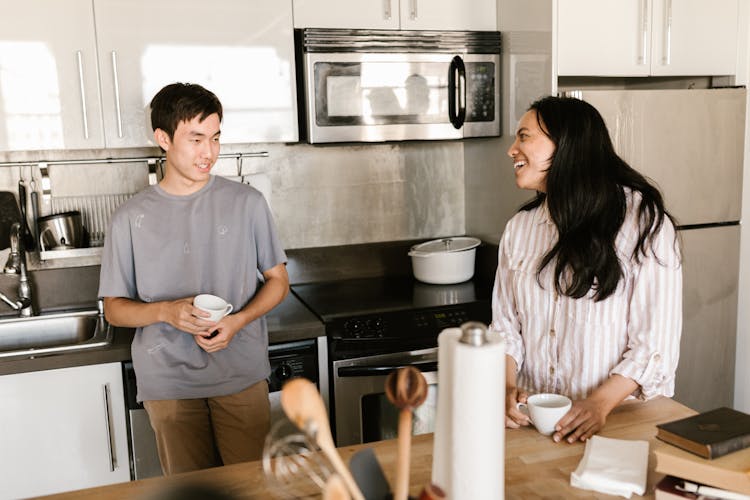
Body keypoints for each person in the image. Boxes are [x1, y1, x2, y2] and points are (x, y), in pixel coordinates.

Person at [98, 82, 289, 474]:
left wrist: (237, 321)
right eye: (196, 138)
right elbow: (114, 310)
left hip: (240, 373)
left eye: (216, 138)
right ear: (163, 138)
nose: (209, 152)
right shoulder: (130, 218)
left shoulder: (247, 203)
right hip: (167, 382)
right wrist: (166, 313)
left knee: (254, 487)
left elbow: (278, 281)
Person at [492, 96, 682, 444]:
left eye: (524, 136)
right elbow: (506, 327)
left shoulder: (642, 224)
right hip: (533, 426)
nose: (512, 149)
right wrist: (506, 386)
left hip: (619, 424)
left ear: (566, 144)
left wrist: (598, 404)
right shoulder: (519, 230)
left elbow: (655, 346)